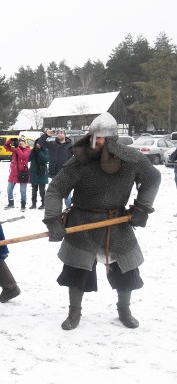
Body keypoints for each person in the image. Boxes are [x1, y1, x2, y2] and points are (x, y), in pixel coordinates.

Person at [43, 112, 161, 331]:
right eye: (92, 137)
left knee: (127, 271)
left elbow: (153, 178)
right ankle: (74, 312)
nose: (94, 142)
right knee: (76, 271)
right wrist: (53, 219)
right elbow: (55, 189)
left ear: (111, 141)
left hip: (117, 222)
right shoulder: (80, 162)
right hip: (82, 222)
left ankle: (124, 310)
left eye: (100, 139)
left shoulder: (131, 160)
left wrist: (142, 208)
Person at [40, 129, 73, 208]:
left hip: (66, 173)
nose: (59, 134)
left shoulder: (71, 145)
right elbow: (41, 142)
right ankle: (56, 211)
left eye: (61, 133)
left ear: (65, 135)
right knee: (55, 193)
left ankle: (68, 209)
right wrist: (46, 135)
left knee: (67, 193)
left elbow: (77, 156)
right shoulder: (52, 144)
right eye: (58, 133)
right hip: (54, 173)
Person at [4, 135, 31, 212]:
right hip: (13, 173)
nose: (21, 143)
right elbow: (6, 146)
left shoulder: (28, 150)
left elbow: (22, 156)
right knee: (9, 189)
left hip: (23, 174)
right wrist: (11, 140)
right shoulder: (15, 149)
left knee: (23, 191)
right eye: (20, 142)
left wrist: (17, 148)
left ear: (26, 143)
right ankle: (11, 203)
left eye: (22, 142)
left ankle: (23, 205)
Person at [28, 137, 49, 209]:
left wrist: (39, 151)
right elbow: (28, 159)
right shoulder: (33, 150)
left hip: (42, 173)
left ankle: (44, 203)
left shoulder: (45, 150)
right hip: (33, 173)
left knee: (42, 190)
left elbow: (45, 160)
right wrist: (34, 151)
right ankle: (33, 204)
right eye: (37, 143)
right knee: (34, 190)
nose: (38, 144)